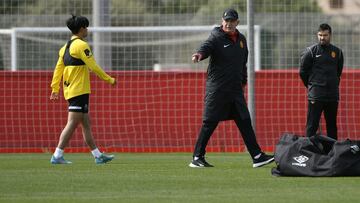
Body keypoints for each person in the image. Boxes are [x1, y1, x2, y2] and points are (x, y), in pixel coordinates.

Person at [189, 8, 274, 168]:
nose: (228, 23)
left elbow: (243, 64)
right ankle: (197, 157)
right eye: (226, 20)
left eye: (232, 21)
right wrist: (199, 54)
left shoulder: (241, 40)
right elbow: (206, 47)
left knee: (245, 121)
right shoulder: (216, 37)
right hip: (218, 89)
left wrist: (243, 82)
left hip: (235, 90)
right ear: (222, 21)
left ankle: (257, 156)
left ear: (237, 22)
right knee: (210, 122)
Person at [50, 15, 116, 164]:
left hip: (72, 90)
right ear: (81, 29)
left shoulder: (65, 48)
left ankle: (98, 156)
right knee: (72, 123)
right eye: (86, 27)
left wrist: (55, 88)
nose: (87, 29)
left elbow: (58, 70)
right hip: (78, 90)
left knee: (86, 123)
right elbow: (93, 66)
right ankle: (57, 155)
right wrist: (109, 79)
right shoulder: (81, 45)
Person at [300, 23, 344, 140]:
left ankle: (333, 154)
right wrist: (312, 86)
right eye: (320, 35)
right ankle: (308, 153)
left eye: (325, 35)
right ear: (317, 35)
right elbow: (303, 72)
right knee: (311, 126)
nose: (322, 38)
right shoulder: (310, 52)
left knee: (332, 126)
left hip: (332, 96)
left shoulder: (338, 52)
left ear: (330, 35)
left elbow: (338, 72)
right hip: (316, 95)